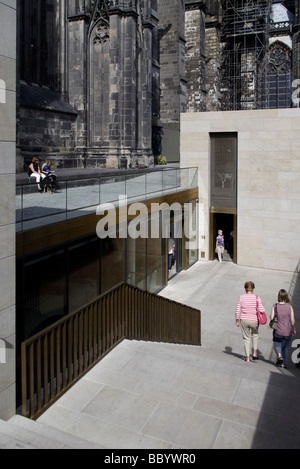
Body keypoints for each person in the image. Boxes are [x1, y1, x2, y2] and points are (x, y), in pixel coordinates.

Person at [235, 281, 266, 362]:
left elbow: (238, 309)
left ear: (245, 288)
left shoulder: (241, 297)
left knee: (246, 338)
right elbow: (262, 309)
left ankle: (247, 357)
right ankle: (255, 353)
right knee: (255, 335)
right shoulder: (257, 298)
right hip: (254, 320)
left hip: (244, 319)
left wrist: (237, 320)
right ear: (253, 289)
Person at [270, 289, 296, 369]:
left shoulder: (275, 306)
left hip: (278, 330)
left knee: (276, 341)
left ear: (279, 296)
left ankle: (279, 355)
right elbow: (292, 320)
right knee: (286, 347)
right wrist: (294, 329)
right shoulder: (289, 307)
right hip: (287, 331)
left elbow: (271, 318)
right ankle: (283, 364)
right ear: (286, 297)